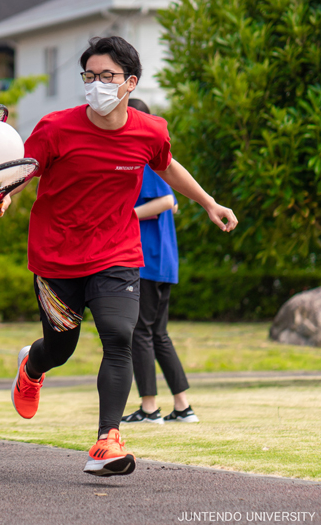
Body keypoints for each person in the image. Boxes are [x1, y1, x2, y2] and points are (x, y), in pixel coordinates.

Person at [0, 36, 236, 477]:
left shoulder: (149, 130)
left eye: (107, 76)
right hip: (55, 258)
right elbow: (23, 173)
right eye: (90, 76)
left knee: (119, 336)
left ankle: (107, 440)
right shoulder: (55, 127)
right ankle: (32, 365)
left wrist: (208, 202)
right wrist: (4, 199)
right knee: (61, 349)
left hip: (116, 252)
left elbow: (167, 165)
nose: (97, 84)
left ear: (130, 83)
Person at [121, 99, 198, 425]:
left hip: (148, 260)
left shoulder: (146, 161)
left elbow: (167, 201)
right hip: (162, 261)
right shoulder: (157, 160)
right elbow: (173, 202)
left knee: (140, 332)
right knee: (158, 334)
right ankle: (182, 406)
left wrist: (122, 216)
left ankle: (150, 408)